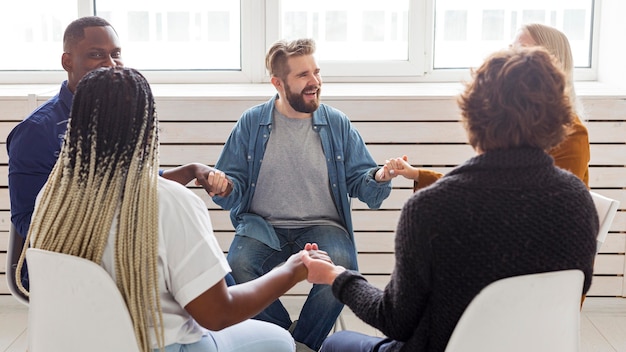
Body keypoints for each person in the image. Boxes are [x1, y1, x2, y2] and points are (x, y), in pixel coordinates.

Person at [300, 47, 598, 352]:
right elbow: (574, 290)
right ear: (560, 115)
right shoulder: (577, 199)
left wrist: (336, 275)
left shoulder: (431, 209)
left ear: (473, 114)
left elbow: (395, 320)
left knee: (337, 343)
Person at [17, 66, 329, 352]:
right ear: (147, 129)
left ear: (77, 124)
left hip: (77, 344)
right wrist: (293, 269)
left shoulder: (53, 196)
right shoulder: (169, 203)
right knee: (279, 340)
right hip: (161, 346)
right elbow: (218, 314)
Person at [6, 16, 228, 290]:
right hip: (68, 264)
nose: (110, 63)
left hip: (118, 250)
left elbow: (135, 183)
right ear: (67, 62)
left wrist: (193, 170)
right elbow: (27, 221)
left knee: (205, 272)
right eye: (96, 54)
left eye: (116, 54)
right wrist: (114, 233)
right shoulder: (37, 132)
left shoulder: (116, 114)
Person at [209, 38, 393, 351]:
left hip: (323, 226)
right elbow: (231, 185)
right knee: (238, 265)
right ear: (277, 83)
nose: (315, 82)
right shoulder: (251, 123)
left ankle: (297, 345)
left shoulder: (337, 124)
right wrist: (223, 186)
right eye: (303, 75)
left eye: (316, 72)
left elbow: (364, 184)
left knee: (343, 263)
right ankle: (293, 344)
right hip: (262, 227)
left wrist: (380, 176)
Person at [386, 23, 590, 190]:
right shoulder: (508, 124)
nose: (510, 59)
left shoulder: (573, 135)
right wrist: (419, 175)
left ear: (550, 64)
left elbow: (504, 194)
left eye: (522, 51)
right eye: (511, 49)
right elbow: (487, 184)